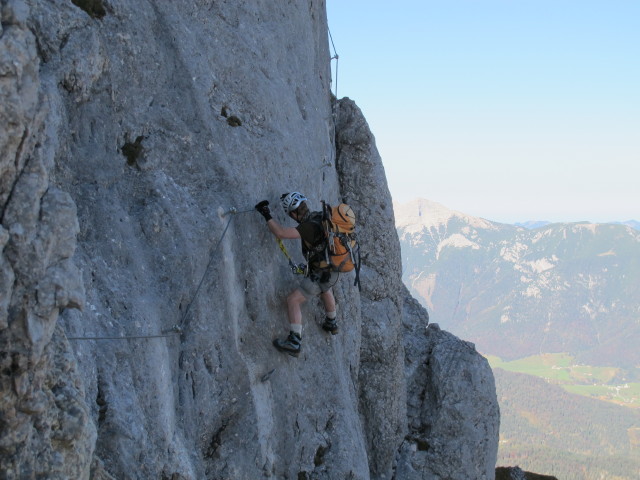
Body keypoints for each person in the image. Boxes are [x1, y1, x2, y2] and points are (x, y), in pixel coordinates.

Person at [255, 192, 339, 357]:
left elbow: (281, 233)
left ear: (293, 213)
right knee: (326, 289)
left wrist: (266, 214)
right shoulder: (318, 216)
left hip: (321, 273)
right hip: (333, 268)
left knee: (293, 300)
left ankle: (295, 341)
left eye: (291, 214)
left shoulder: (307, 227)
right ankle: (332, 322)